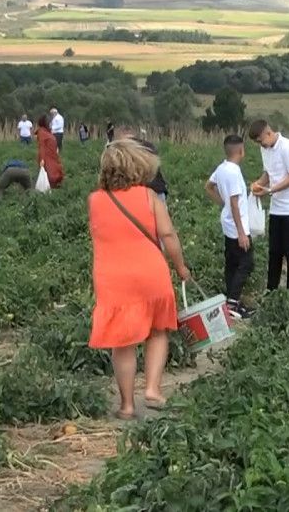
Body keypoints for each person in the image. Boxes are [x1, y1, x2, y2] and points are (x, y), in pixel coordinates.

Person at [87, 139, 191, 419]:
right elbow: (168, 235)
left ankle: (126, 405)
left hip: (113, 278)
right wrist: (180, 267)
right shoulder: (149, 197)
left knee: (123, 343)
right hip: (150, 273)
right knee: (158, 331)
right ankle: (153, 389)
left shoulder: (95, 200)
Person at [248, 119, 289, 291]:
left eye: (261, 141)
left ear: (268, 133)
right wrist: (258, 184)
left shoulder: (288, 148)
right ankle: (271, 291)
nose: (260, 145)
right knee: (274, 252)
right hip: (277, 209)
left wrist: (270, 190)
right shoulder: (265, 149)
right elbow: (268, 173)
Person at [206, 135, 254, 320]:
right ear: (241, 150)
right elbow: (235, 204)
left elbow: (209, 187)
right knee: (246, 263)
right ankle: (233, 303)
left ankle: (231, 300)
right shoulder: (233, 172)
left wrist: (222, 202)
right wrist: (242, 233)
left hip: (228, 224)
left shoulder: (222, 168)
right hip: (237, 226)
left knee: (232, 264)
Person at [114, 126, 169, 202]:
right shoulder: (149, 145)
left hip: (140, 193)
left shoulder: (122, 149)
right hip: (158, 190)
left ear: (121, 135)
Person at [36, 115, 65, 188]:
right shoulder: (42, 132)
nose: (51, 124)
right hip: (47, 157)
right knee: (51, 174)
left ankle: (55, 188)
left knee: (57, 171)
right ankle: (49, 190)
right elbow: (42, 146)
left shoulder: (47, 131)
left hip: (53, 155)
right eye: (49, 123)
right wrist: (42, 159)